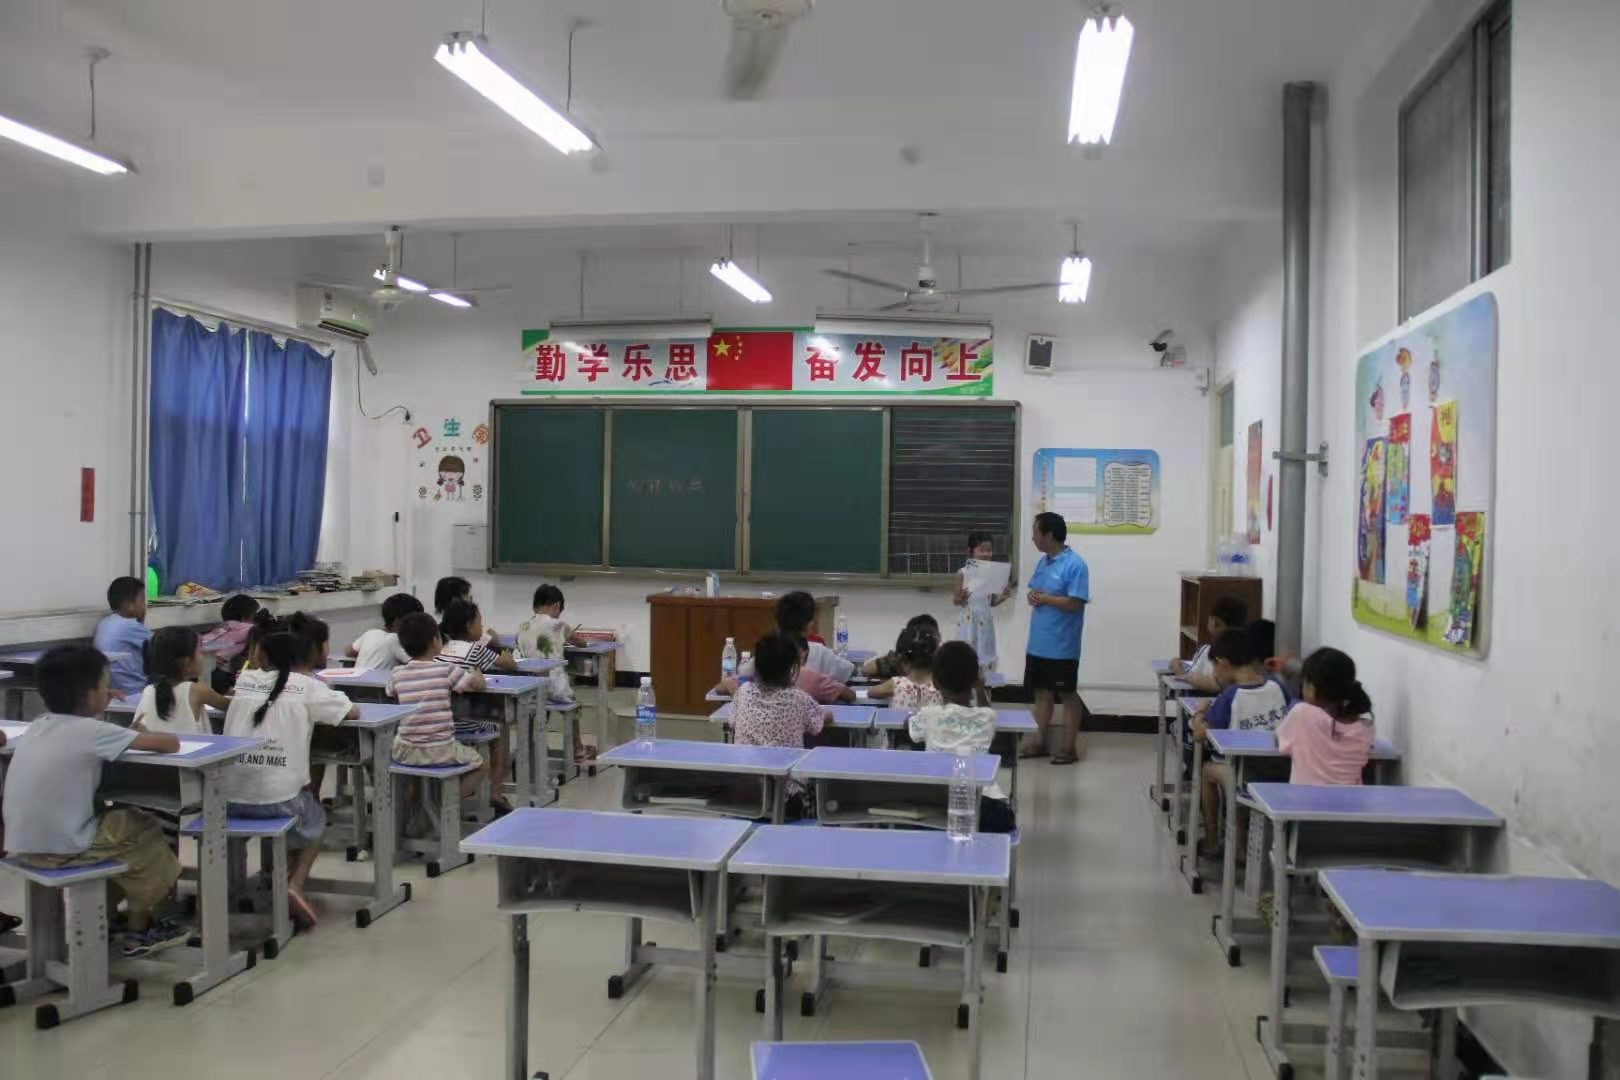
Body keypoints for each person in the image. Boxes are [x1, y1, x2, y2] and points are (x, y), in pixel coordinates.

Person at [2, 645, 189, 957]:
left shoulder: (39, 723)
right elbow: (170, 744)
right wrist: (135, 731)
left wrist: (110, 725)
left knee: (121, 836)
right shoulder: (94, 730)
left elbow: (85, 740)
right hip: (62, 848)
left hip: (23, 844)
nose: (109, 690)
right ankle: (140, 926)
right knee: (143, 825)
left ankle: (112, 916)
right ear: (91, 695)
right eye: (105, 684)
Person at [222, 624, 358, 929]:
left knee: (286, 798)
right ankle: (294, 884)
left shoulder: (246, 679)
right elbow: (352, 713)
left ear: (263, 657)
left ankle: (248, 884)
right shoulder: (307, 686)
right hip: (279, 801)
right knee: (315, 817)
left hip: (227, 799)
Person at [1190, 629, 1290, 849]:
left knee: (1206, 770)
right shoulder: (1277, 685)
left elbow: (1199, 734)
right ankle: (1240, 843)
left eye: (1214, 667)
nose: (1214, 673)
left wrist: (1200, 711)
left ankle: (1212, 840)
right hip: (1284, 770)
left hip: (1245, 774)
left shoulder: (1231, 696)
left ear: (1222, 663)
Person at [907, 641, 1016, 833]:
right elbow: (987, 711)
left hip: (938, 800)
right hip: (985, 802)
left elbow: (912, 731)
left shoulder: (928, 715)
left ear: (935, 682)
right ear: (975, 679)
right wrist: (980, 689)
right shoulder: (986, 717)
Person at [387, 612, 487, 805]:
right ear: (435, 641)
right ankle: (446, 804)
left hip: (404, 751)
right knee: (480, 764)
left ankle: (417, 809)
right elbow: (477, 685)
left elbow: (391, 692)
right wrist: (476, 671)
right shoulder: (446, 669)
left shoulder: (397, 673)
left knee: (415, 774)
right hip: (441, 749)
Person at [1023, 512, 1090, 764]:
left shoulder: (1075, 564)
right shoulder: (1044, 562)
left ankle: (1068, 748)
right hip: (1038, 643)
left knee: (1067, 694)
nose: (1033, 538)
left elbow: (1075, 603)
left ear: (1049, 535)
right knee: (1041, 693)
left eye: (1035, 532)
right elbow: (1036, 591)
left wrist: (1047, 599)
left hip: (1062, 645)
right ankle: (1039, 742)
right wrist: (1033, 597)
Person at [437, 598, 515, 814]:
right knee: (498, 732)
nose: (482, 626)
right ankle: (495, 792)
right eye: (480, 622)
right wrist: (500, 649)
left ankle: (468, 786)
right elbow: (509, 664)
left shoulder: (442, 649)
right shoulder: (475, 650)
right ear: (469, 626)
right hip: (469, 724)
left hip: (446, 724)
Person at [515, 584, 593, 760]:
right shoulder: (559, 625)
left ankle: (532, 746)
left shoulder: (523, 626)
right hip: (554, 687)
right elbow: (581, 643)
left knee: (540, 707)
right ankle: (577, 748)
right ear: (557, 606)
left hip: (529, 687)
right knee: (573, 704)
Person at [1278, 647, 1375, 786]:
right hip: (1351, 799)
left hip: (1304, 800)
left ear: (1311, 688)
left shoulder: (1302, 713)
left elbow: (1280, 742)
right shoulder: (1365, 727)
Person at [730, 632, 827, 750]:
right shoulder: (798, 698)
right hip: (788, 761)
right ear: (791, 666)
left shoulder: (743, 692)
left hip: (744, 762)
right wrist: (825, 715)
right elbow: (817, 724)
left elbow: (732, 722)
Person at [136, 626, 231, 734]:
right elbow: (234, 707)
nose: (203, 655)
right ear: (187, 662)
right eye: (199, 651)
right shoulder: (198, 691)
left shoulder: (148, 690)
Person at [715, 634, 855, 705]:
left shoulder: (746, 687)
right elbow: (850, 695)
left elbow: (720, 688)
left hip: (747, 752)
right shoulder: (806, 686)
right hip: (797, 750)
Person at [953, 531, 1015, 672]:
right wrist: (962, 598)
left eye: (989, 550)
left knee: (987, 656)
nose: (986, 554)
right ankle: (968, 684)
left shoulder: (991, 573)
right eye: (982, 550)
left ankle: (990, 683)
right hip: (969, 622)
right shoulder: (962, 573)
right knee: (968, 657)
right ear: (970, 551)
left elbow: (991, 602)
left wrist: (1003, 597)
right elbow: (956, 601)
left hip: (985, 622)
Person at [93, 575, 151, 699]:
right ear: (129, 604)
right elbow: (162, 645)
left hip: (113, 690)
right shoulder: (129, 626)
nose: (144, 606)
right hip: (134, 692)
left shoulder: (104, 623)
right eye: (142, 600)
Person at [1178, 595, 1249, 693]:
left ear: (1214, 622)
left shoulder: (1208, 650)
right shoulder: (1249, 653)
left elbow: (1188, 675)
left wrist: (1176, 665)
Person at [868, 622, 944, 710]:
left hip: (900, 720)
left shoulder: (897, 684)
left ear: (902, 660)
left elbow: (871, 693)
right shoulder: (942, 685)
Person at [348, 592, 424, 672]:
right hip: (378, 680)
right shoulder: (395, 639)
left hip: (356, 678)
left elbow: (349, 651)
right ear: (397, 622)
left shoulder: (370, 633)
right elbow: (416, 663)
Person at [861, 614, 941, 679]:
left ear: (939, 637)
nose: (922, 641)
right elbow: (867, 669)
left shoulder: (944, 659)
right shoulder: (899, 658)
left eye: (928, 636)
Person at [199, 594, 261, 666]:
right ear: (244, 617)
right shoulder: (247, 629)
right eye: (254, 616)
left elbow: (206, 642)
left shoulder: (223, 628)